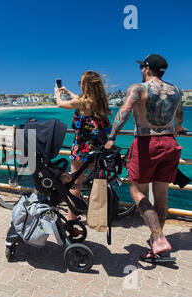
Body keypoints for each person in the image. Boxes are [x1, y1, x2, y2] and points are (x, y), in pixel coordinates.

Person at [105, 54, 184, 263]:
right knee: (162, 196)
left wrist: (111, 138)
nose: (140, 71)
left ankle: (158, 238)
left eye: (142, 68)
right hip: (170, 143)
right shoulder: (176, 90)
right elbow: (179, 118)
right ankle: (156, 243)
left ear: (147, 69)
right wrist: (176, 131)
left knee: (135, 190)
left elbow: (123, 113)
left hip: (146, 143)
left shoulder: (138, 89)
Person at [54, 71, 112, 221]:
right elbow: (82, 100)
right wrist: (68, 92)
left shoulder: (82, 102)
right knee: (96, 182)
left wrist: (57, 93)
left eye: (81, 83)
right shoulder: (101, 102)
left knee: (75, 184)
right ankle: (97, 216)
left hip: (82, 149)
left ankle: (72, 217)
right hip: (98, 149)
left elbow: (60, 104)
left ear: (86, 85)